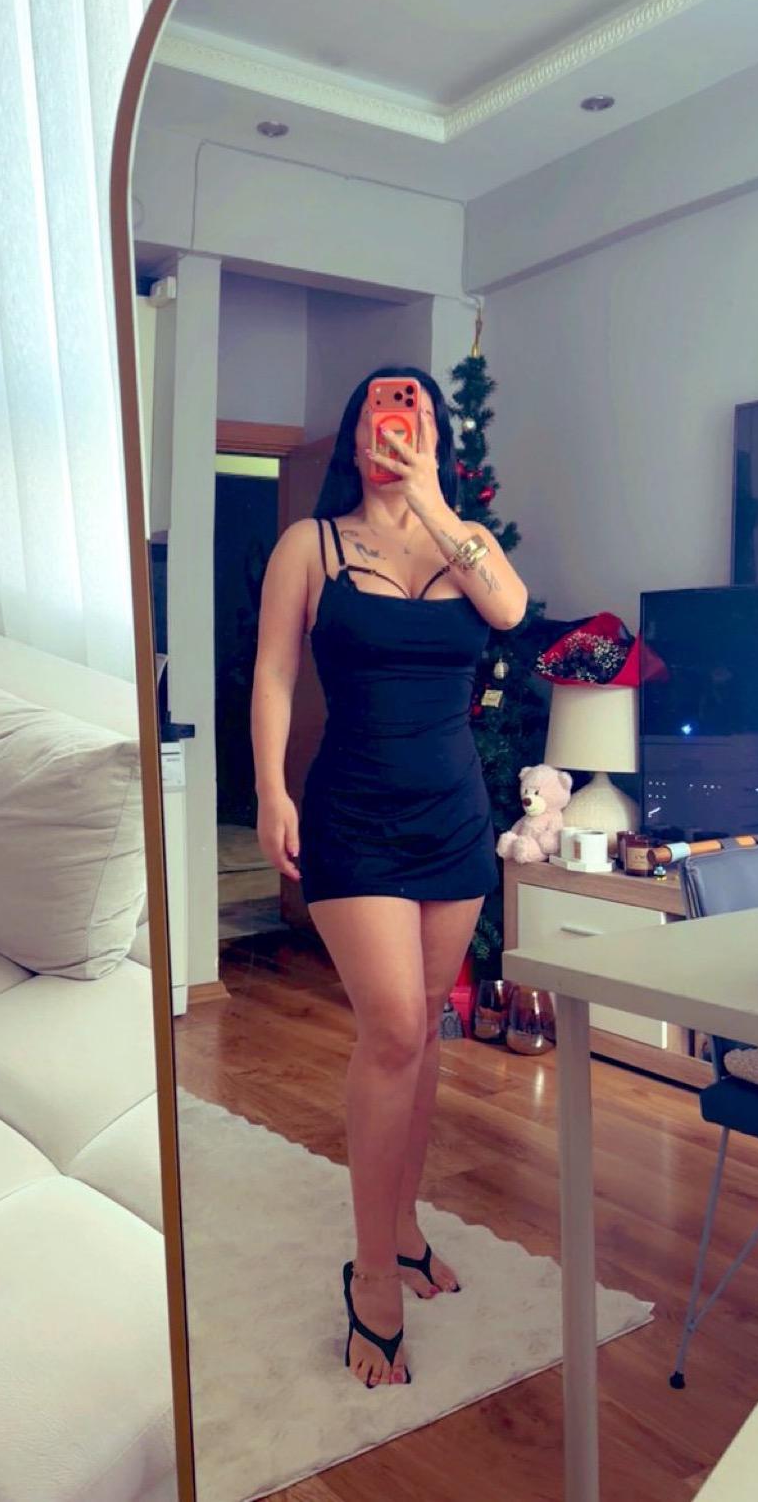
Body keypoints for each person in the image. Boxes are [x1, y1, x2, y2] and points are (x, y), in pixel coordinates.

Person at [251, 366, 528, 1389]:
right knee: (395, 1030)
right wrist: (270, 789)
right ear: (354, 430)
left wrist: (429, 500)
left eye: (412, 403)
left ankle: (404, 1227)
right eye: (380, 402)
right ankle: (371, 1272)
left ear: (434, 432)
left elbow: (507, 609)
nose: (395, 415)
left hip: (453, 819)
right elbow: (275, 672)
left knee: (424, 1030)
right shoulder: (310, 545)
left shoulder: (466, 544)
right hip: (353, 817)